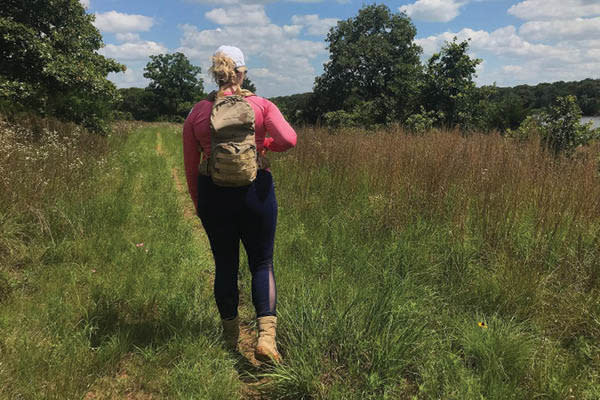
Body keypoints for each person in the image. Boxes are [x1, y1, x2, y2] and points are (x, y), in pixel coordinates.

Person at [182, 45, 297, 363]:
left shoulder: (198, 112)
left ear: (215, 73)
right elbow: (290, 139)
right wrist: (264, 145)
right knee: (262, 263)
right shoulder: (261, 105)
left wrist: (199, 202)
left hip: (214, 194)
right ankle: (266, 340)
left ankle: (230, 339)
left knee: (225, 265)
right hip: (256, 192)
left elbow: (191, 165)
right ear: (242, 73)